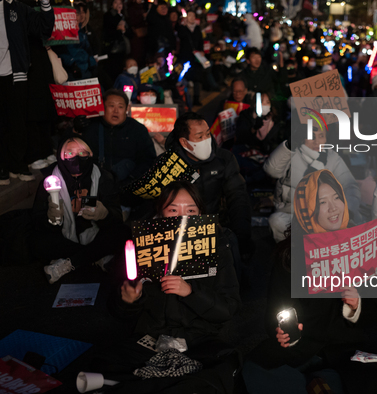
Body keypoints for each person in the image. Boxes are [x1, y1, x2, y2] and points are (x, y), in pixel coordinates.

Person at [243, 170, 377, 394]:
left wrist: (355, 306)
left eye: (337, 198)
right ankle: (321, 381)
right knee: (255, 367)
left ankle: (323, 381)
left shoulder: (363, 245)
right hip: (305, 346)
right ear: (307, 210)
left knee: (373, 381)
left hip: (352, 347)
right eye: (322, 202)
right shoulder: (291, 252)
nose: (333, 207)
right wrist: (281, 330)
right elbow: (276, 309)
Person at [91, 181, 241, 393]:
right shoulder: (141, 245)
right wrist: (128, 300)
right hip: (149, 340)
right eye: (173, 209)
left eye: (190, 210)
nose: (182, 216)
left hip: (199, 342)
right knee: (102, 363)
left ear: (200, 212)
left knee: (226, 365)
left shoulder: (218, 246)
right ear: (159, 213)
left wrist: (191, 292)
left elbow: (228, 309)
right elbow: (118, 311)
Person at [31, 136, 129, 283]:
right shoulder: (50, 180)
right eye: (70, 153)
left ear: (90, 154)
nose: (76, 158)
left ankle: (68, 263)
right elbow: (37, 220)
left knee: (123, 233)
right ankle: (96, 257)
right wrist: (51, 219)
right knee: (37, 242)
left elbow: (116, 217)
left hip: (95, 234)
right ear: (60, 155)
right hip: (63, 238)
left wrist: (104, 213)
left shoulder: (103, 177)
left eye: (83, 153)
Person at [165, 112, 252, 258]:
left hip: (216, 228)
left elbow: (238, 196)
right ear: (184, 142)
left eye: (207, 134)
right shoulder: (167, 165)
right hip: (179, 234)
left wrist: (242, 237)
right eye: (199, 137)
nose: (206, 140)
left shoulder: (224, 159)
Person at [264, 125, 361, 242]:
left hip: (325, 216)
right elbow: (271, 170)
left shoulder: (332, 157)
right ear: (302, 137)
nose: (317, 142)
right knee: (277, 222)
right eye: (311, 137)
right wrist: (290, 144)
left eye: (321, 136)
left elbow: (350, 185)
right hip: (293, 215)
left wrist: (348, 210)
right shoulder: (291, 154)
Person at [0, 0, 54, 185]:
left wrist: (45, 3)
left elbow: (44, 28)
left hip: (16, 73)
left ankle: (16, 164)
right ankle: (2, 166)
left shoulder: (17, 8)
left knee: (17, 122)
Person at [82, 89, 157, 184]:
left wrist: (132, 179)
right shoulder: (91, 128)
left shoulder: (138, 129)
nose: (116, 111)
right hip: (97, 185)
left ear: (127, 109)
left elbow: (148, 160)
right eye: (111, 106)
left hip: (129, 187)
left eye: (120, 107)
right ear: (103, 107)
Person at [102, 0, 131, 85]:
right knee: (114, 72)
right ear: (111, 5)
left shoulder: (125, 16)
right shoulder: (108, 16)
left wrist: (124, 30)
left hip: (125, 48)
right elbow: (109, 32)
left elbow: (130, 33)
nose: (118, 5)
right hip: (114, 50)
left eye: (120, 3)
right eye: (116, 3)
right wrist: (118, 15)